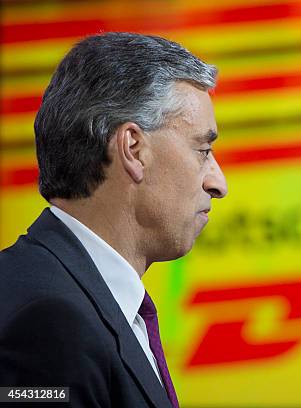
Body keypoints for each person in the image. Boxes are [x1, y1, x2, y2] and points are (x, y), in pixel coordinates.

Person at [0, 32, 227, 407]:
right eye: (202, 150)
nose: (218, 183)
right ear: (133, 149)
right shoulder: (48, 322)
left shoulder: (72, 298)